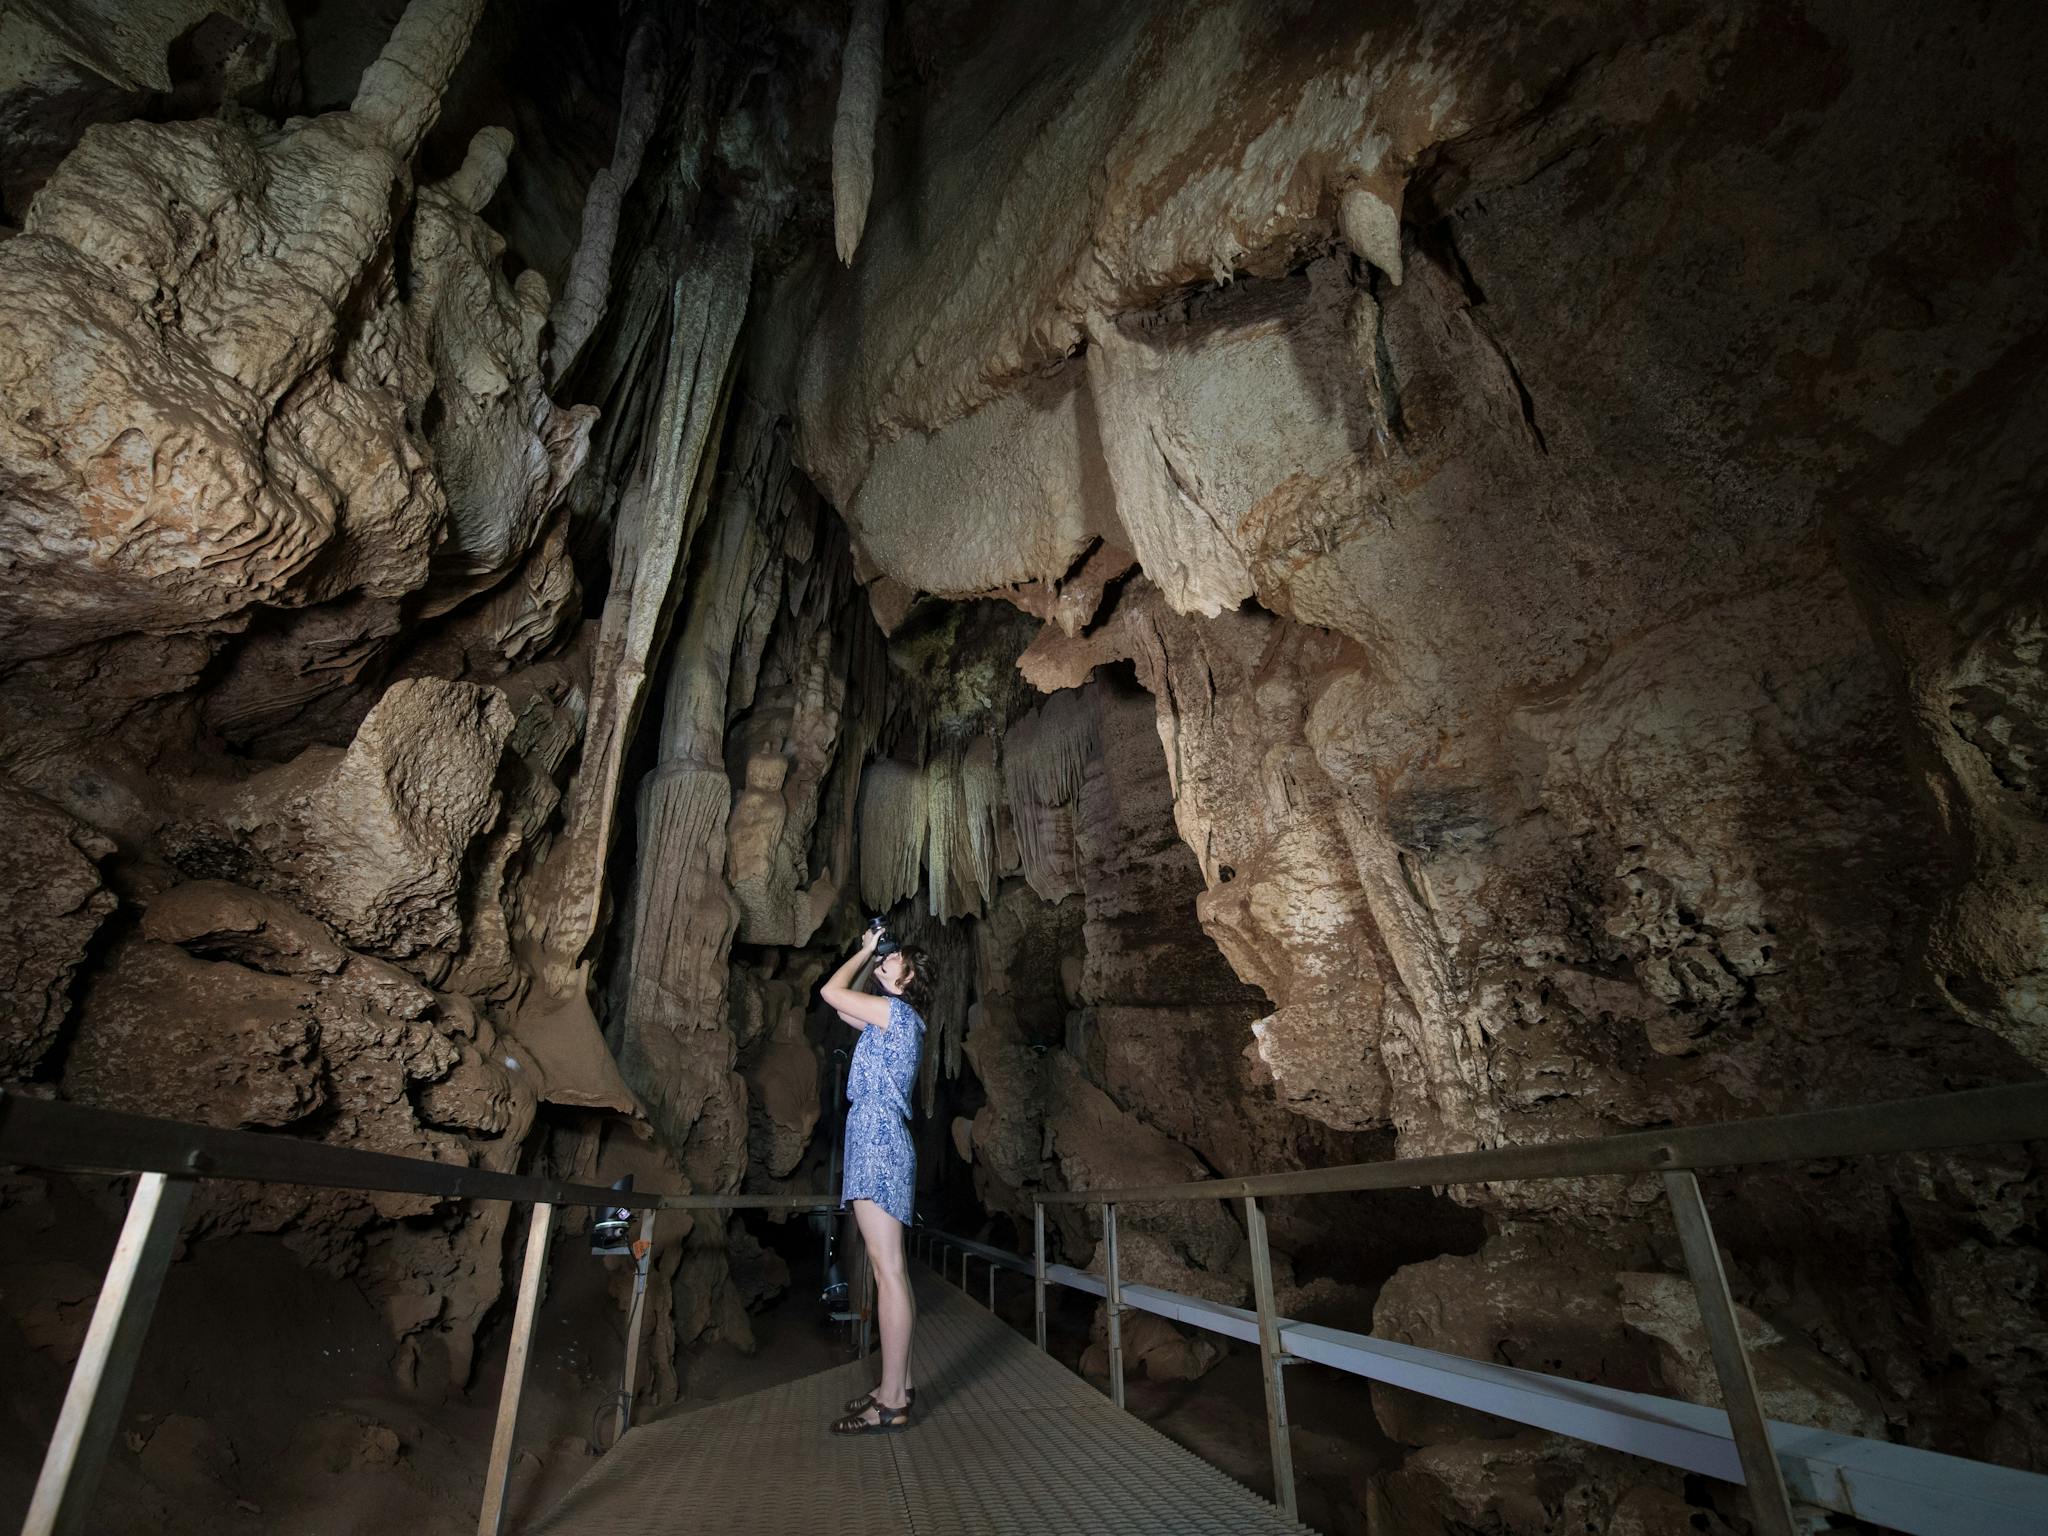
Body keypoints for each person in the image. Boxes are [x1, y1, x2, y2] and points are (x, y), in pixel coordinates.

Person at [821, 920, 932, 1435]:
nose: (886, 959)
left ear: (908, 979)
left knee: (887, 1271)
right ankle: (900, 1383)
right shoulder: (892, 1020)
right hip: (880, 1136)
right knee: (893, 1270)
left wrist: (863, 949)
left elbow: (828, 991)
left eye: (894, 959)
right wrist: (869, 957)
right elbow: (843, 1004)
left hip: (878, 1139)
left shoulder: (893, 1013)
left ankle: (890, 1401)